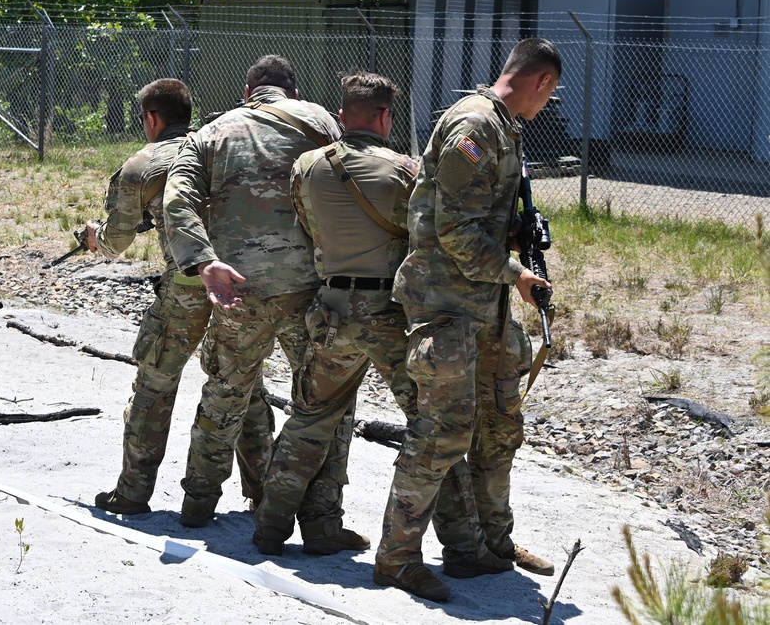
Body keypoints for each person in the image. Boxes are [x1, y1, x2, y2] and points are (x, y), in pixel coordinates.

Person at [374, 37, 561, 601]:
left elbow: (484, 216)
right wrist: (517, 274)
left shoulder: (505, 126)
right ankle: (396, 557)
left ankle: (486, 544)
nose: (547, 105)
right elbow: (454, 232)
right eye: (550, 96)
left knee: (499, 425)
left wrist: (518, 246)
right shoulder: (475, 128)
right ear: (542, 83)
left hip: (487, 306)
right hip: (448, 304)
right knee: (441, 435)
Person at [164, 56, 360, 548]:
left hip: (238, 289)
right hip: (309, 288)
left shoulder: (212, 133)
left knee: (225, 393)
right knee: (323, 402)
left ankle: (197, 504)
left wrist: (203, 259)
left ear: (248, 89)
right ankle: (320, 521)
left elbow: (177, 197)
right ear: (292, 93)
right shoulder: (321, 121)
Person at [89, 78, 273, 516]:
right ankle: (265, 492)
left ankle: (133, 492)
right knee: (242, 387)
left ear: (152, 118)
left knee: (154, 384)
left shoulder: (142, 166)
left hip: (185, 288)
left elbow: (116, 242)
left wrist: (93, 236)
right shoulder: (218, 147)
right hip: (237, 286)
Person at [252, 72, 418, 558]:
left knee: (309, 420)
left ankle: (269, 527)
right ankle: (449, 540)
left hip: (331, 310)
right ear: (386, 116)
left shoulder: (307, 166)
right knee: (427, 423)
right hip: (386, 312)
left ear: (343, 115)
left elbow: (306, 226)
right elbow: (419, 238)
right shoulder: (405, 171)